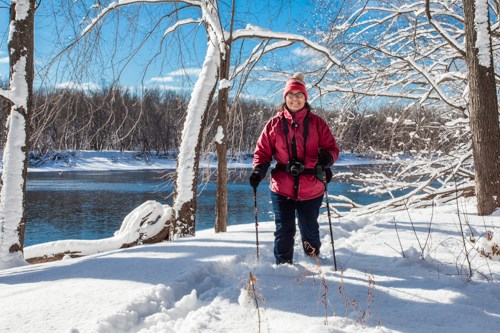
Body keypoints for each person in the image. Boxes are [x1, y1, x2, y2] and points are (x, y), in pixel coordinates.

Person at [249, 72, 340, 265]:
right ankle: (282, 266)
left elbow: (333, 148)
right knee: (284, 228)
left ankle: (314, 261)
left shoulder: (317, 123)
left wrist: (327, 160)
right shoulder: (274, 124)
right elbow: (263, 151)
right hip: (282, 187)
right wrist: (259, 169)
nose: (295, 99)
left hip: (312, 186)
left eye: (299, 95)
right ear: (285, 98)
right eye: (291, 95)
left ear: (305, 98)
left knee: (309, 227)